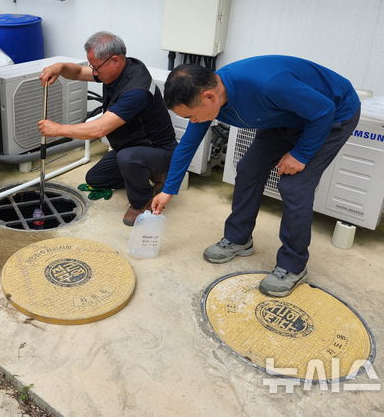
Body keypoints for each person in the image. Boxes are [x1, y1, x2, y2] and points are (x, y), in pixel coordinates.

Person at [151, 55, 361, 297]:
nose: (192, 121)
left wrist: (301, 154)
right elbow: (188, 143)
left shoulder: (269, 84)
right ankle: (239, 239)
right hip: (286, 115)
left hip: (333, 113)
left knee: (294, 185)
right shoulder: (207, 96)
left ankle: (293, 266)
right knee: (249, 168)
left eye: (190, 116)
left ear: (209, 96)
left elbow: (323, 110)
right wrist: (168, 189)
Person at [38, 32, 177, 226]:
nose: (93, 71)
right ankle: (147, 176)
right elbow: (78, 73)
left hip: (158, 151)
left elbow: (98, 130)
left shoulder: (136, 91)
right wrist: (59, 67)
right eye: (91, 65)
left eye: (95, 67)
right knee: (95, 178)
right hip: (129, 146)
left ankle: (142, 200)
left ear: (115, 60)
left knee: (128, 159)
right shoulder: (118, 70)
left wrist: (58, 129)